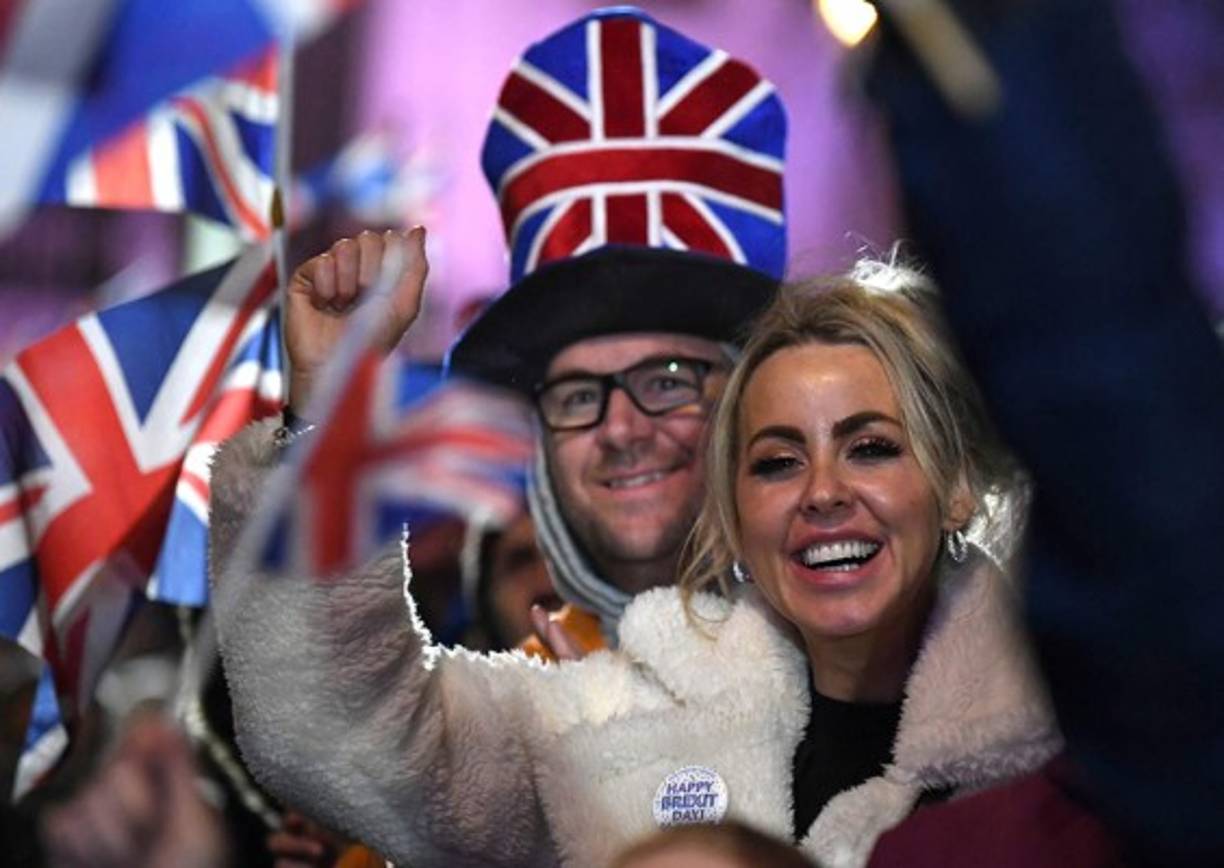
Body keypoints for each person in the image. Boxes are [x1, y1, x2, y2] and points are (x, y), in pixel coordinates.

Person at [211, 261, 1058, 867]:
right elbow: (341, 733)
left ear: (952, 486)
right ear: (735, 510)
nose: (823, 493)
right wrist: (331, 412)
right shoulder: (616, 723)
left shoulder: (1081, 736)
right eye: (776, 461)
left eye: (870, 448)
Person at [279, 7, 788, 657]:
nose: (623, 430)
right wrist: (326, 402)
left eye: (667, 381)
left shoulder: (869, 658)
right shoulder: (488, 720)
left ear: (749, 401)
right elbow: (319, 722)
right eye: (577, 395)